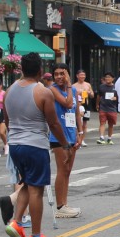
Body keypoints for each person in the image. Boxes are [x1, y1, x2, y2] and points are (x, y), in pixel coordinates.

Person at [3, 51, 69, 237]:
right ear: (40, 70)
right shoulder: (43, 92)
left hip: (15, 144)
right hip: (35, 145)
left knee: (27, 183)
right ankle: (36, 236)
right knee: (37, 189)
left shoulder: (10, 90)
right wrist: (65, 145)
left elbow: (7, 120)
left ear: (22, 69)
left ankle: (16, 222)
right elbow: (54, 123)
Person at [48, 63, 82, 217]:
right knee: (62, 169)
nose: (59, 77)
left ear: (68, 73)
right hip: (58, 136)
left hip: (71, 134)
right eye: (56, 74)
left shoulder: (73, 90)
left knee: (68, 171)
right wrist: (68, 85)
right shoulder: (53, 89)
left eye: (62, 73)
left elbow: (76, 112)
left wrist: (79, 133)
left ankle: (65, 203)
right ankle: (60, 206)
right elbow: (67, 103)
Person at [72, 70, 95, 146]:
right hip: (77, 105)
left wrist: (89, 93)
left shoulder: (88, 85)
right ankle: (77, 138)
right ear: (77, 76)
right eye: (81, 75)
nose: (82, 76)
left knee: (85, 123)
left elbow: (92, 95)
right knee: (77, 123)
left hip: (86, 105)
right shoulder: (74, 86)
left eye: (83, 75)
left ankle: (82, 140)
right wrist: (78, 93)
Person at [96, 72, 117, 144]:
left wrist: (116, 98)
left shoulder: (116, 87)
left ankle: (109, 138)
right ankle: (101, 138)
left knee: (111, 124)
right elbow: (98, 96)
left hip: (112, 108)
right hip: (103, 108)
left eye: (109, 77)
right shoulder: (101, 86)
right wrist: (97, 104)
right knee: (102, 123)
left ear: (113, 79)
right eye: (106, 77)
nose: (107, 78)